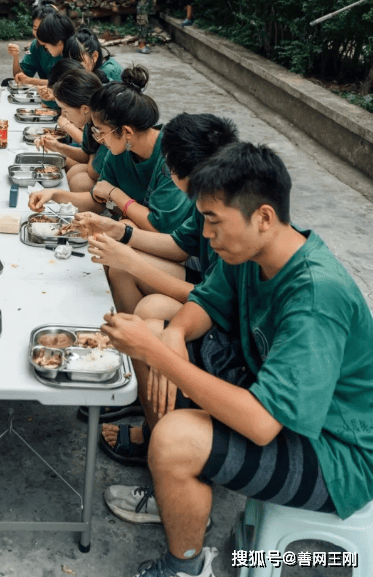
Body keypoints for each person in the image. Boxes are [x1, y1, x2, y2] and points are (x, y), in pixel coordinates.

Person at [100, 142, 373, 577]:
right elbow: (205, 302)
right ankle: (176, 490)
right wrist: (171, 336)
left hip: (336, 451)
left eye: (213, 222)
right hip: (266, 390)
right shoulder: (252, 251)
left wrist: (158, 355)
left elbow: (263, 423)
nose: (206, 236)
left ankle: (186, 566)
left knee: (174, 436)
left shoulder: (316, 295)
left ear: (263, 217)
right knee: (156, 331)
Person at [75, 113, 238, 462]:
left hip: (221, 312)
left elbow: (212, 301)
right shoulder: (207, 195)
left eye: (168, 166)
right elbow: (180, 245)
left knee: (147, 309)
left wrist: (132, 259)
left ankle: (157, 437)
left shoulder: (230, 218)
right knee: (122, 270)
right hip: (211, 292)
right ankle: (140, 387)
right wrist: (122, 233)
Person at [29, 66, 192, 233]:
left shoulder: (171, 157)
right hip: (139, 225)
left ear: (127, 131)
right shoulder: (120, 150)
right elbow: (97, 200)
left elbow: (159, 227)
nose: (98, 138)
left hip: (174, 242)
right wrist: (54, 195)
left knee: (126, 228)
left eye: (101, 131)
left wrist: (115, 194)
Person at [38, 68, 107, 192]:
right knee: (74, 171)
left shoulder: (105, 126)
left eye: (65, 110)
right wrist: (57, 147)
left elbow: (93, 171)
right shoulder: (89, 120)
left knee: (80, 182)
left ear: (84, 108)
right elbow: (87, 154)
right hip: (100, 169)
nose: (64, 115)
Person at [8, 1, 58, 87]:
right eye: (35, 29)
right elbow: (20, 78)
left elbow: (65, 85)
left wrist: (30, 81)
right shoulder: (36, 45)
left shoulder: (68, 46)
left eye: (42, 29)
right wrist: (15, 56)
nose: (38, 34)